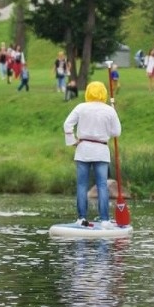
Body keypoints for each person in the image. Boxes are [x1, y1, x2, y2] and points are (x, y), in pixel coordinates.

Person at [63, 81, 122, 228]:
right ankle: (105, 220)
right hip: (101, 150)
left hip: (83, 149)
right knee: (102, 185)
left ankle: (81, 218)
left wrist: (72, 141)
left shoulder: (81, 107)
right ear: (104, 93)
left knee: (82, 185)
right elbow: (116, 132)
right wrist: (112, 116)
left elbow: (67, 125)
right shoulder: (109, 110)